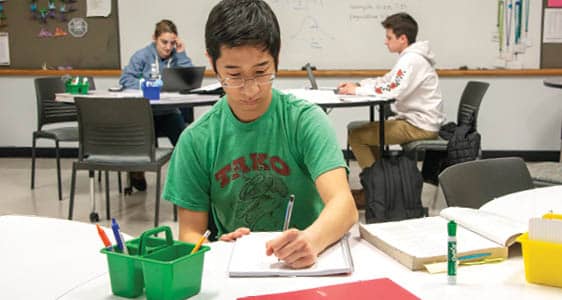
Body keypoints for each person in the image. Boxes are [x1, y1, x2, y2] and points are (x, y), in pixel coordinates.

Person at [163, 0, 358, 269]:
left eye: (261, 72)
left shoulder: (304, 121)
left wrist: (310, 240)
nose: (250, 89)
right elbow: (189, 234)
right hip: (236, 269)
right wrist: (218, 249)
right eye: (233, 74)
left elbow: (343, 205)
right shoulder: (197, 140)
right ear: (212, 62)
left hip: (311, 266)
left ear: (277, 59)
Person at [337, 13, 445, 204]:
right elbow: (388, 81)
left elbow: (392, 89)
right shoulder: (410, 58)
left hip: (419, 126)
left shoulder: (412, 60)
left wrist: (358, 90)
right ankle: (379, 185)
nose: (385, 42)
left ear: (403, 39)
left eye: (389, 37)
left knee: (357, 136)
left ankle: (377, 190)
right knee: (359, 132)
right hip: (416, 121)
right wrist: (359, 85)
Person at [119, 19, 193, 191]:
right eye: (164, 42)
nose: (168, 47)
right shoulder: (142, 55)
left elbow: (188, 80)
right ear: (155, 38)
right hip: (146, 113)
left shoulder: (176, 56)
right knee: (141, 144)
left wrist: (181, 53)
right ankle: (136, 172)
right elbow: (125, 80)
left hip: (168, 112)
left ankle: (189, 179)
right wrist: (148, 84)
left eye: (172, 43)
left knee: (186, 142)